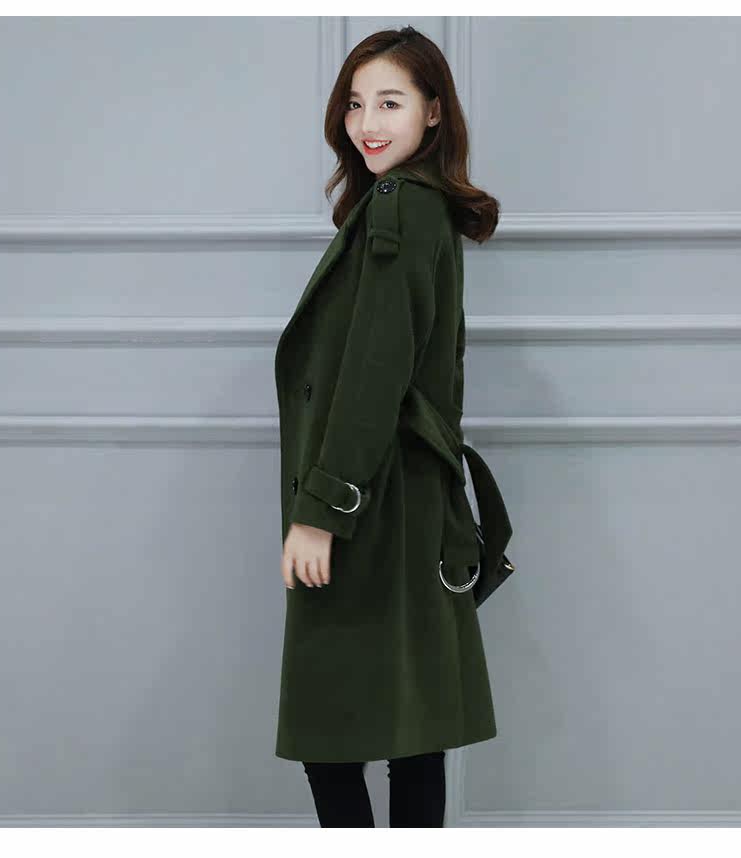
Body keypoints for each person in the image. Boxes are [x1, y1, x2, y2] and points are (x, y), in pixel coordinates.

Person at [273, 25, 502, 827]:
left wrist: (320, 511)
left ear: (434, 112)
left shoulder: (402, 207)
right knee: (412, 729)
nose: (366, 123)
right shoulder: (416, 207)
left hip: (370, 506)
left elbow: (375, 376)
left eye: (391, 103)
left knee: (335, 730)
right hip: (407, 500)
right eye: (355, 103)